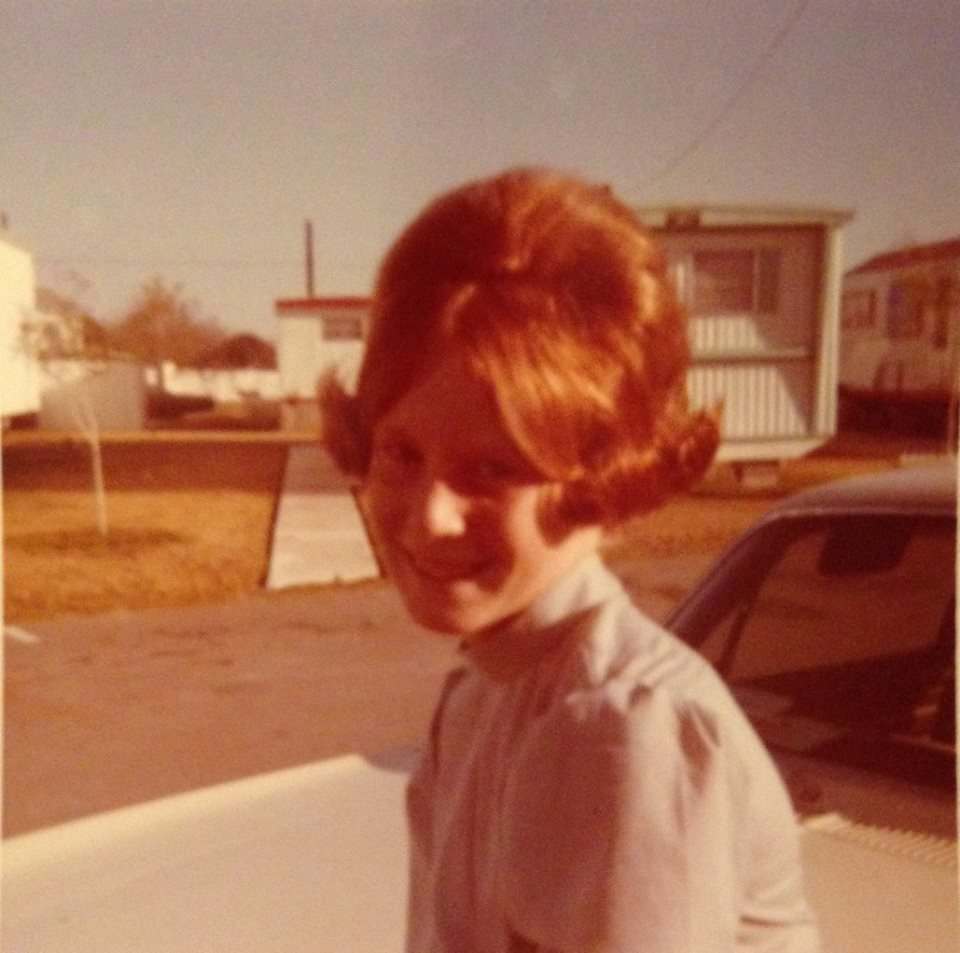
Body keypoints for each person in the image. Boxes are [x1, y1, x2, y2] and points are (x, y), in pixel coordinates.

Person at [321, 168, 819, 953]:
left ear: (603, 470)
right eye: (401, 452)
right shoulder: (484, 684)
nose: (429, 517)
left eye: (495, 468)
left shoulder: (627, 732)